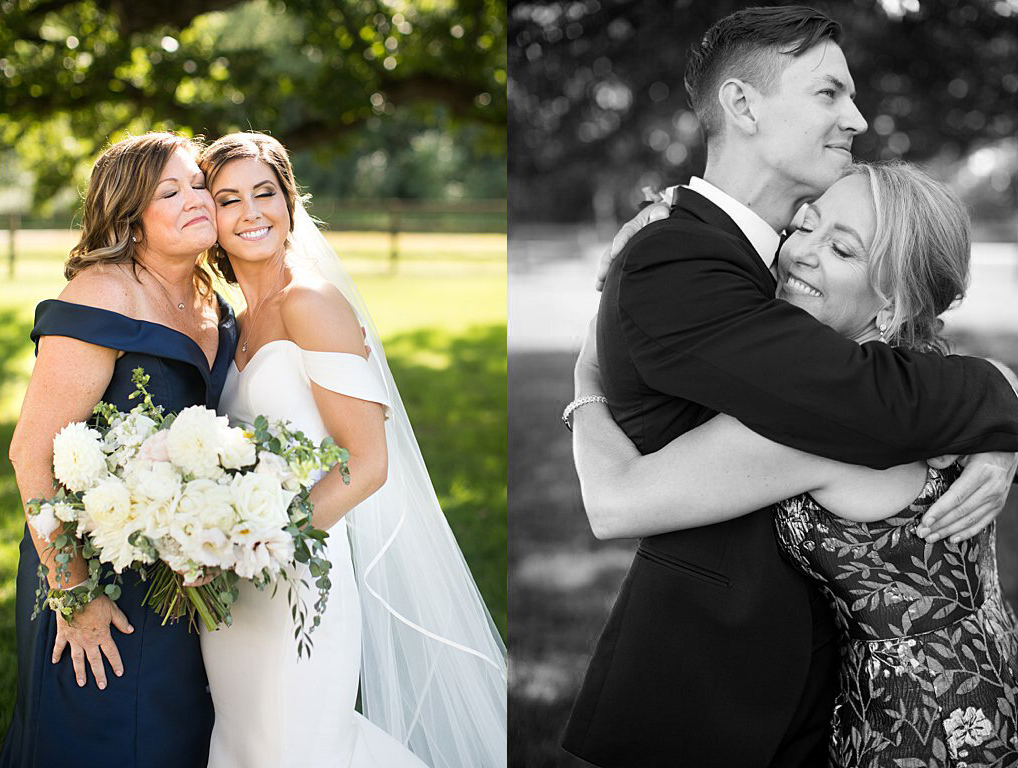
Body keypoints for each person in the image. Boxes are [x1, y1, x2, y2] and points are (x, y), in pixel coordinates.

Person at [559, 8, 1018, 766]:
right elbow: (856, 393)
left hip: (897, 714)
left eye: (837, 242)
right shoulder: (682, 260)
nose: (858, 118)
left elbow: (860, 390)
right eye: (830, 94)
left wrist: (1002, 418)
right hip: (713, 695)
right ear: (743, 105)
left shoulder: (773, 297)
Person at [196, 131, 507, 767]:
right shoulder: (228, 322)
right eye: (229, 200)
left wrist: (260, 549)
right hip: (234, 586)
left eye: (265, 193)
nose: (251, 212)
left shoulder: (309, 301)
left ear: (289, 202)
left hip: (300, 576)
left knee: (302, 746)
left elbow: (367, 464)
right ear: (213, 219)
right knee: (245, 744)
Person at [0, 132, 231, 768]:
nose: (197, 200)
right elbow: (30, 454)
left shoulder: (214, 300)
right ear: (131, 215)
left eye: (199, 184)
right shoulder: (103, 294)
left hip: (186, 564)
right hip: (93, 565)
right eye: (170, 190)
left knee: (181, 738)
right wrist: (74, 594)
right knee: (102, 740)